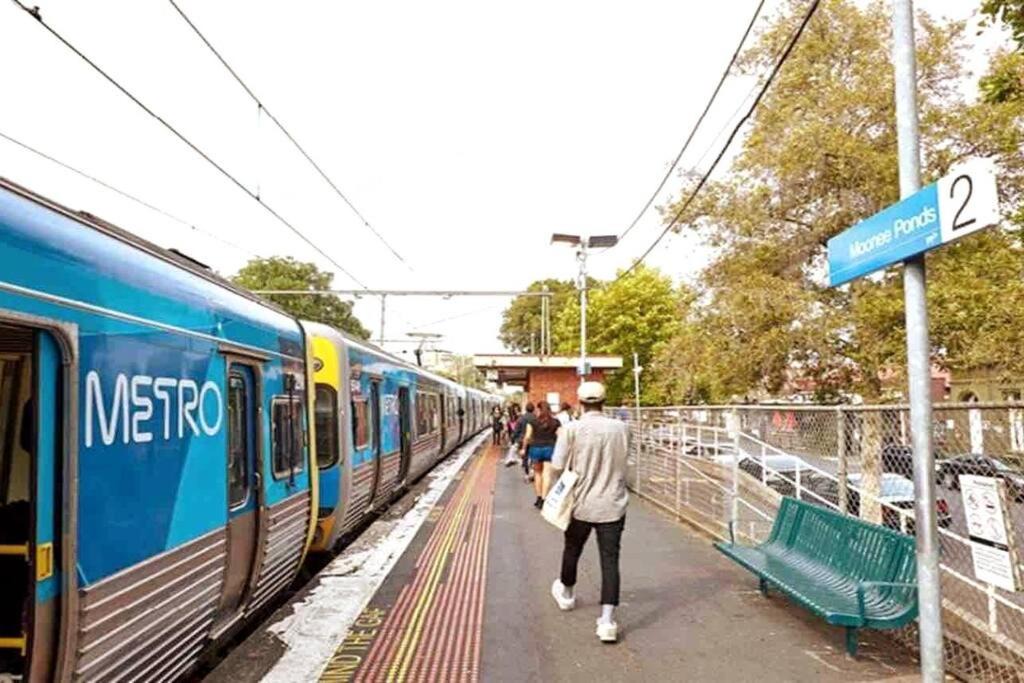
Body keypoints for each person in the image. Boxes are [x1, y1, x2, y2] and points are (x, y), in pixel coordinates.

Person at [549, 381, 629, 643]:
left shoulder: (571, 429)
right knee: (610, 560)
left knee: (572, 549)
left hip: (580, 504)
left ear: (580, 401)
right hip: (613, 504)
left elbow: (558, 464)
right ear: (604, 401)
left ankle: (568, 594)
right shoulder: (622, 428)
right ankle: (607, 621)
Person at [520, 401, 560, 509]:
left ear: (538, 409)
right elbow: (560, 436)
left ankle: (538, 498)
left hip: (536, 449)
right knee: (547, 474)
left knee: (537, 474)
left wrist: (523, 449)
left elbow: (527, 437)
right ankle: (544, 498)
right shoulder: (555, 422)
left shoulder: (533, 421)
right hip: (550, 449)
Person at [511, 403, 536, 480]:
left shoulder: (521, 418)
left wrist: (513, 439)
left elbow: (516, 430)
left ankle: (526, 473)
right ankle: (532, 470)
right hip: (533, 440)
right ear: (533, 409)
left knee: (524, 457)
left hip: (522, 440)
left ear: (525, 409)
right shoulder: (536, 418)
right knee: (532, 456)